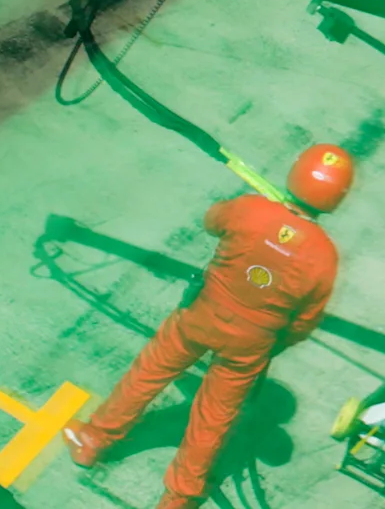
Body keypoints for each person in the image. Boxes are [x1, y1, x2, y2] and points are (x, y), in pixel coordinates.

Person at [67, 146, 354, 509]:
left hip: (201, 314)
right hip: (251, 342)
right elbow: (303, 323)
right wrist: (270, 345)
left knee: (149, 374)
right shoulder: (324, 256)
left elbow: (212, 220)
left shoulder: (251, 209)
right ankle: (179, 498)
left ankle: (93, 441)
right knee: (213, 419)